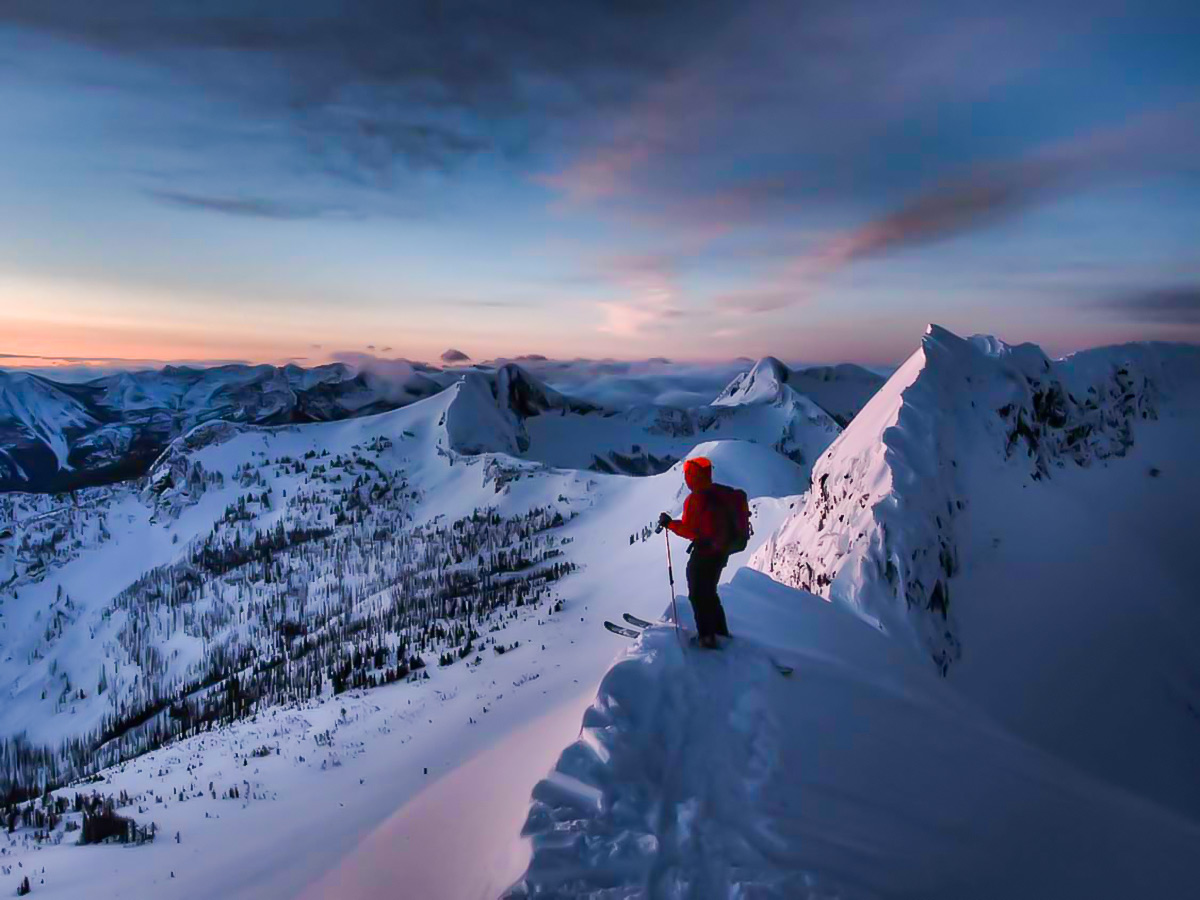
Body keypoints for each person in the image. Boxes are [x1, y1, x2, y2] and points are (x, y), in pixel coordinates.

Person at [658, 456, 734, 650]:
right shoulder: (718, 493)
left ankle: (707, 638)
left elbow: (690, 530)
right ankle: (720, 630)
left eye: (687, 474)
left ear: (692, 476)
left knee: (698, 595)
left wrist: (669, 524)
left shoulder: (696, 499)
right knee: (709, 592)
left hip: (704, 554)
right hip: (721, 553)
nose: (685, 478)